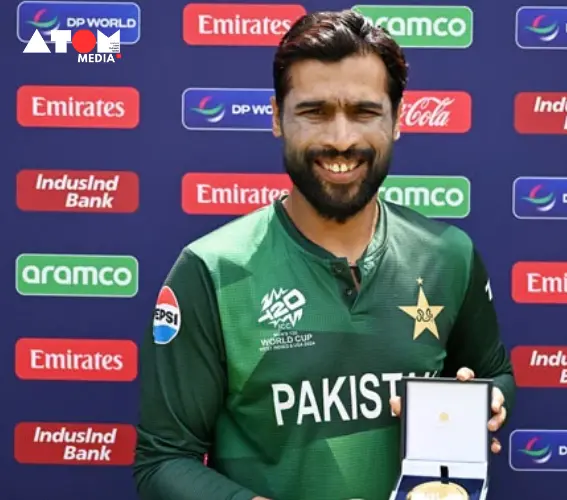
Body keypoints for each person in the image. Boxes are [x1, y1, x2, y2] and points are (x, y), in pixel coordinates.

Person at [133, 8, 515, 500]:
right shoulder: (212, 270)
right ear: (276, 117)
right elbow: (164, 460)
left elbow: (493, 373)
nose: (341, 139)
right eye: (314, 112)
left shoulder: (449, 255)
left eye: (364, 112)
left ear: (397, 120)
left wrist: (490, 399)